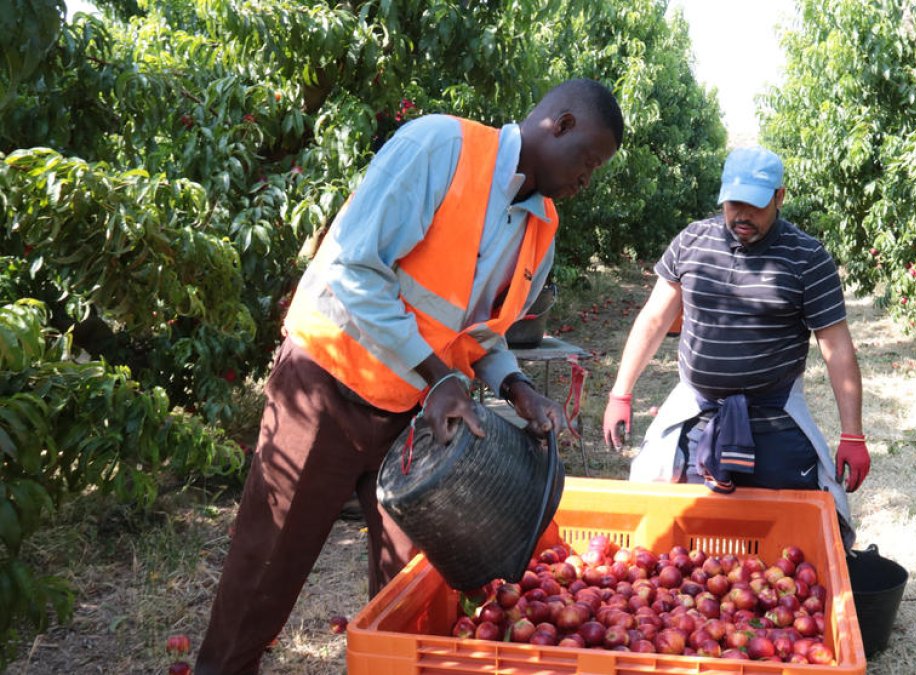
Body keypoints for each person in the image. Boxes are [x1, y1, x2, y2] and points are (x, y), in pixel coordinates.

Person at [196, 79, 623, 674]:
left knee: (413, 581)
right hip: (327, 383)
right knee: (268, 564)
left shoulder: (539, 230)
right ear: (562, 122)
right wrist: (437, 376)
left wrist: (515, 386)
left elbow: (481, 332)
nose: (585, 181)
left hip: (413, 416)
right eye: (587, 162)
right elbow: (354, 268)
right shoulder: (439, 148)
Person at [601, 146, 868, 545]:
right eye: (733, 203)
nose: (741, 215)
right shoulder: (692, 241)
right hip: (699, 413)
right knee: (683, 530)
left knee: (792, 532)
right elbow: (655, 319)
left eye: (755, 205)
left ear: (779, 197)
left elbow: (837, 347)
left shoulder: (807, 258)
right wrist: (620, 392)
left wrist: (852, 434)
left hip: (774, 416)